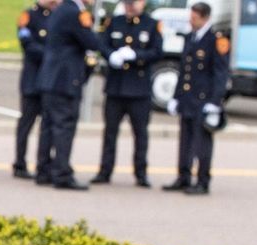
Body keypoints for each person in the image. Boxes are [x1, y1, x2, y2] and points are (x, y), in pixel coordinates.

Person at [34, 0, 108, 190]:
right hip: (65, 80)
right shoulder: (76, 13)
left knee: (48, 126)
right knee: (64, 128)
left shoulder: (61, 9)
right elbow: (91, 42)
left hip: (51, 77)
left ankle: (44, 169)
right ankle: (61, 173)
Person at [90, 0, 161, 186]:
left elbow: (157, 52)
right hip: (116, 87)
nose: (131, 7)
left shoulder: (151, 24)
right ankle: (105, 170)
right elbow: (102, 44)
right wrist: (110, 55)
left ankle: (141, 173)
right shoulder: (115, 22)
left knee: (140, 134)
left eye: (134, 3)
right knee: (110, 133)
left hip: (139, 90)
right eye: (128, 3)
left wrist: (137, 56)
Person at [163, 1, 227, 195]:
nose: (191, 21)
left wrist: (215, 102)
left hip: (204, 100)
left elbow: (220, 74)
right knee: (185, 141)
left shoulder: (216, 39)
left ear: (205, 18)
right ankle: (183, 177)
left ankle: (202, 181)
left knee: (202, 144)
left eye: (194, 18)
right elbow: (185, 71)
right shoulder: (191, 37)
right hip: (188, 98)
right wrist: (176, 97)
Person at [12, 0, 56, 180]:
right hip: (33, 79)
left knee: (48, 125)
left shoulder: (57, 16)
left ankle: (43, 164)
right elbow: (28, 45)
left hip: (50, 81)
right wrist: (53, 56)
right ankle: (20, 162)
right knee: (26, 123)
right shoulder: (28, 16)